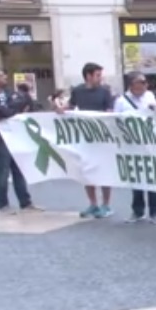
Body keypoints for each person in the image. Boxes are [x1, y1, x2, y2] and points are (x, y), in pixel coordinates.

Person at [55, 62, 114, 219]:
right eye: (97, 75)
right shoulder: (78, 91)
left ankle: (106, 204)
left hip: (102, 137)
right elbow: (70, 105)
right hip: (84, 137)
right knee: (86, 171)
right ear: (88, 76)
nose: (100, 78)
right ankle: (93, 204)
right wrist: (62, 109)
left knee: (104, 171)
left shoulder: (105, 91)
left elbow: (109, 111)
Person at [0, 69, 40, 214]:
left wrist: (11, 109)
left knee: (18, 169)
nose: (5, 77)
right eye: (1, 76)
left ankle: (25, 202)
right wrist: (13, 109)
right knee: (3, 169)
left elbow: (26, 103)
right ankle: (3, 204)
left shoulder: (9, 92)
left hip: (14, 134)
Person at [113, 71, 156, 224]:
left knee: (154, 179)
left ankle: (155, 212)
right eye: (140, 82)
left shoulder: (149, 97)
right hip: (132, 145)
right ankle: (138, 210)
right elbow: (115, 121)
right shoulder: (121, 101)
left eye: (144, 83)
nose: (143, 86)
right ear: (131, 84)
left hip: (150, 144)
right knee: (136, 180)